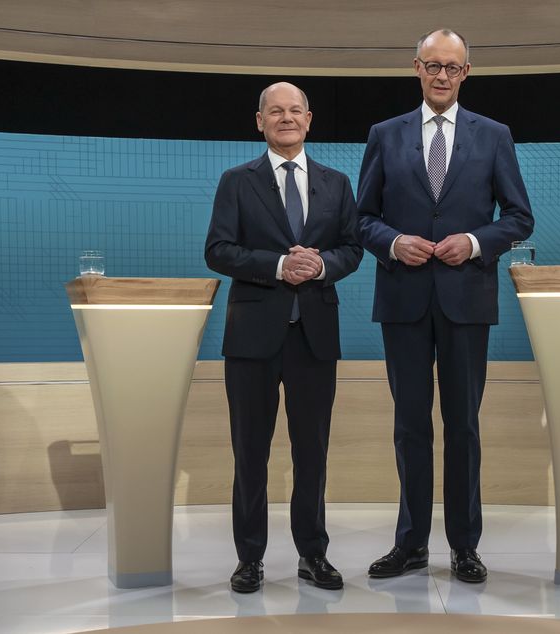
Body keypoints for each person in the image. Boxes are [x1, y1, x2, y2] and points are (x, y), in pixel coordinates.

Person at [357, 29, 534, 583]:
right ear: (416, 68)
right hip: (403, 302)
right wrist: (392, 242)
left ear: (466, 72)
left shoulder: (495, 135)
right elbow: (361, 218)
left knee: (462, 427)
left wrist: (476, 242)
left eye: (451, 68)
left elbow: (518, 217)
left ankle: (464, 546)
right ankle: (410, 544)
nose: (440, 75)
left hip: (466, 301)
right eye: (432, 65)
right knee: (410, 427)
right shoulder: (385, 135)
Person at [205, 82, 362, 593]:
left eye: (295, 110)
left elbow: (352, 249)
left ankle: (312, 554)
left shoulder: (336, 184)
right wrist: (277, 265)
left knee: (311, 452)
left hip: (314, 336)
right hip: (251, 339)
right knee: (250, 453)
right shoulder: (236, 181)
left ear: (310, 119)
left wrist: (320, 264)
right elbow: (218, 250)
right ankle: (249, 559)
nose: (286, 118)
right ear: (260, 121)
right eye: (276, 111)